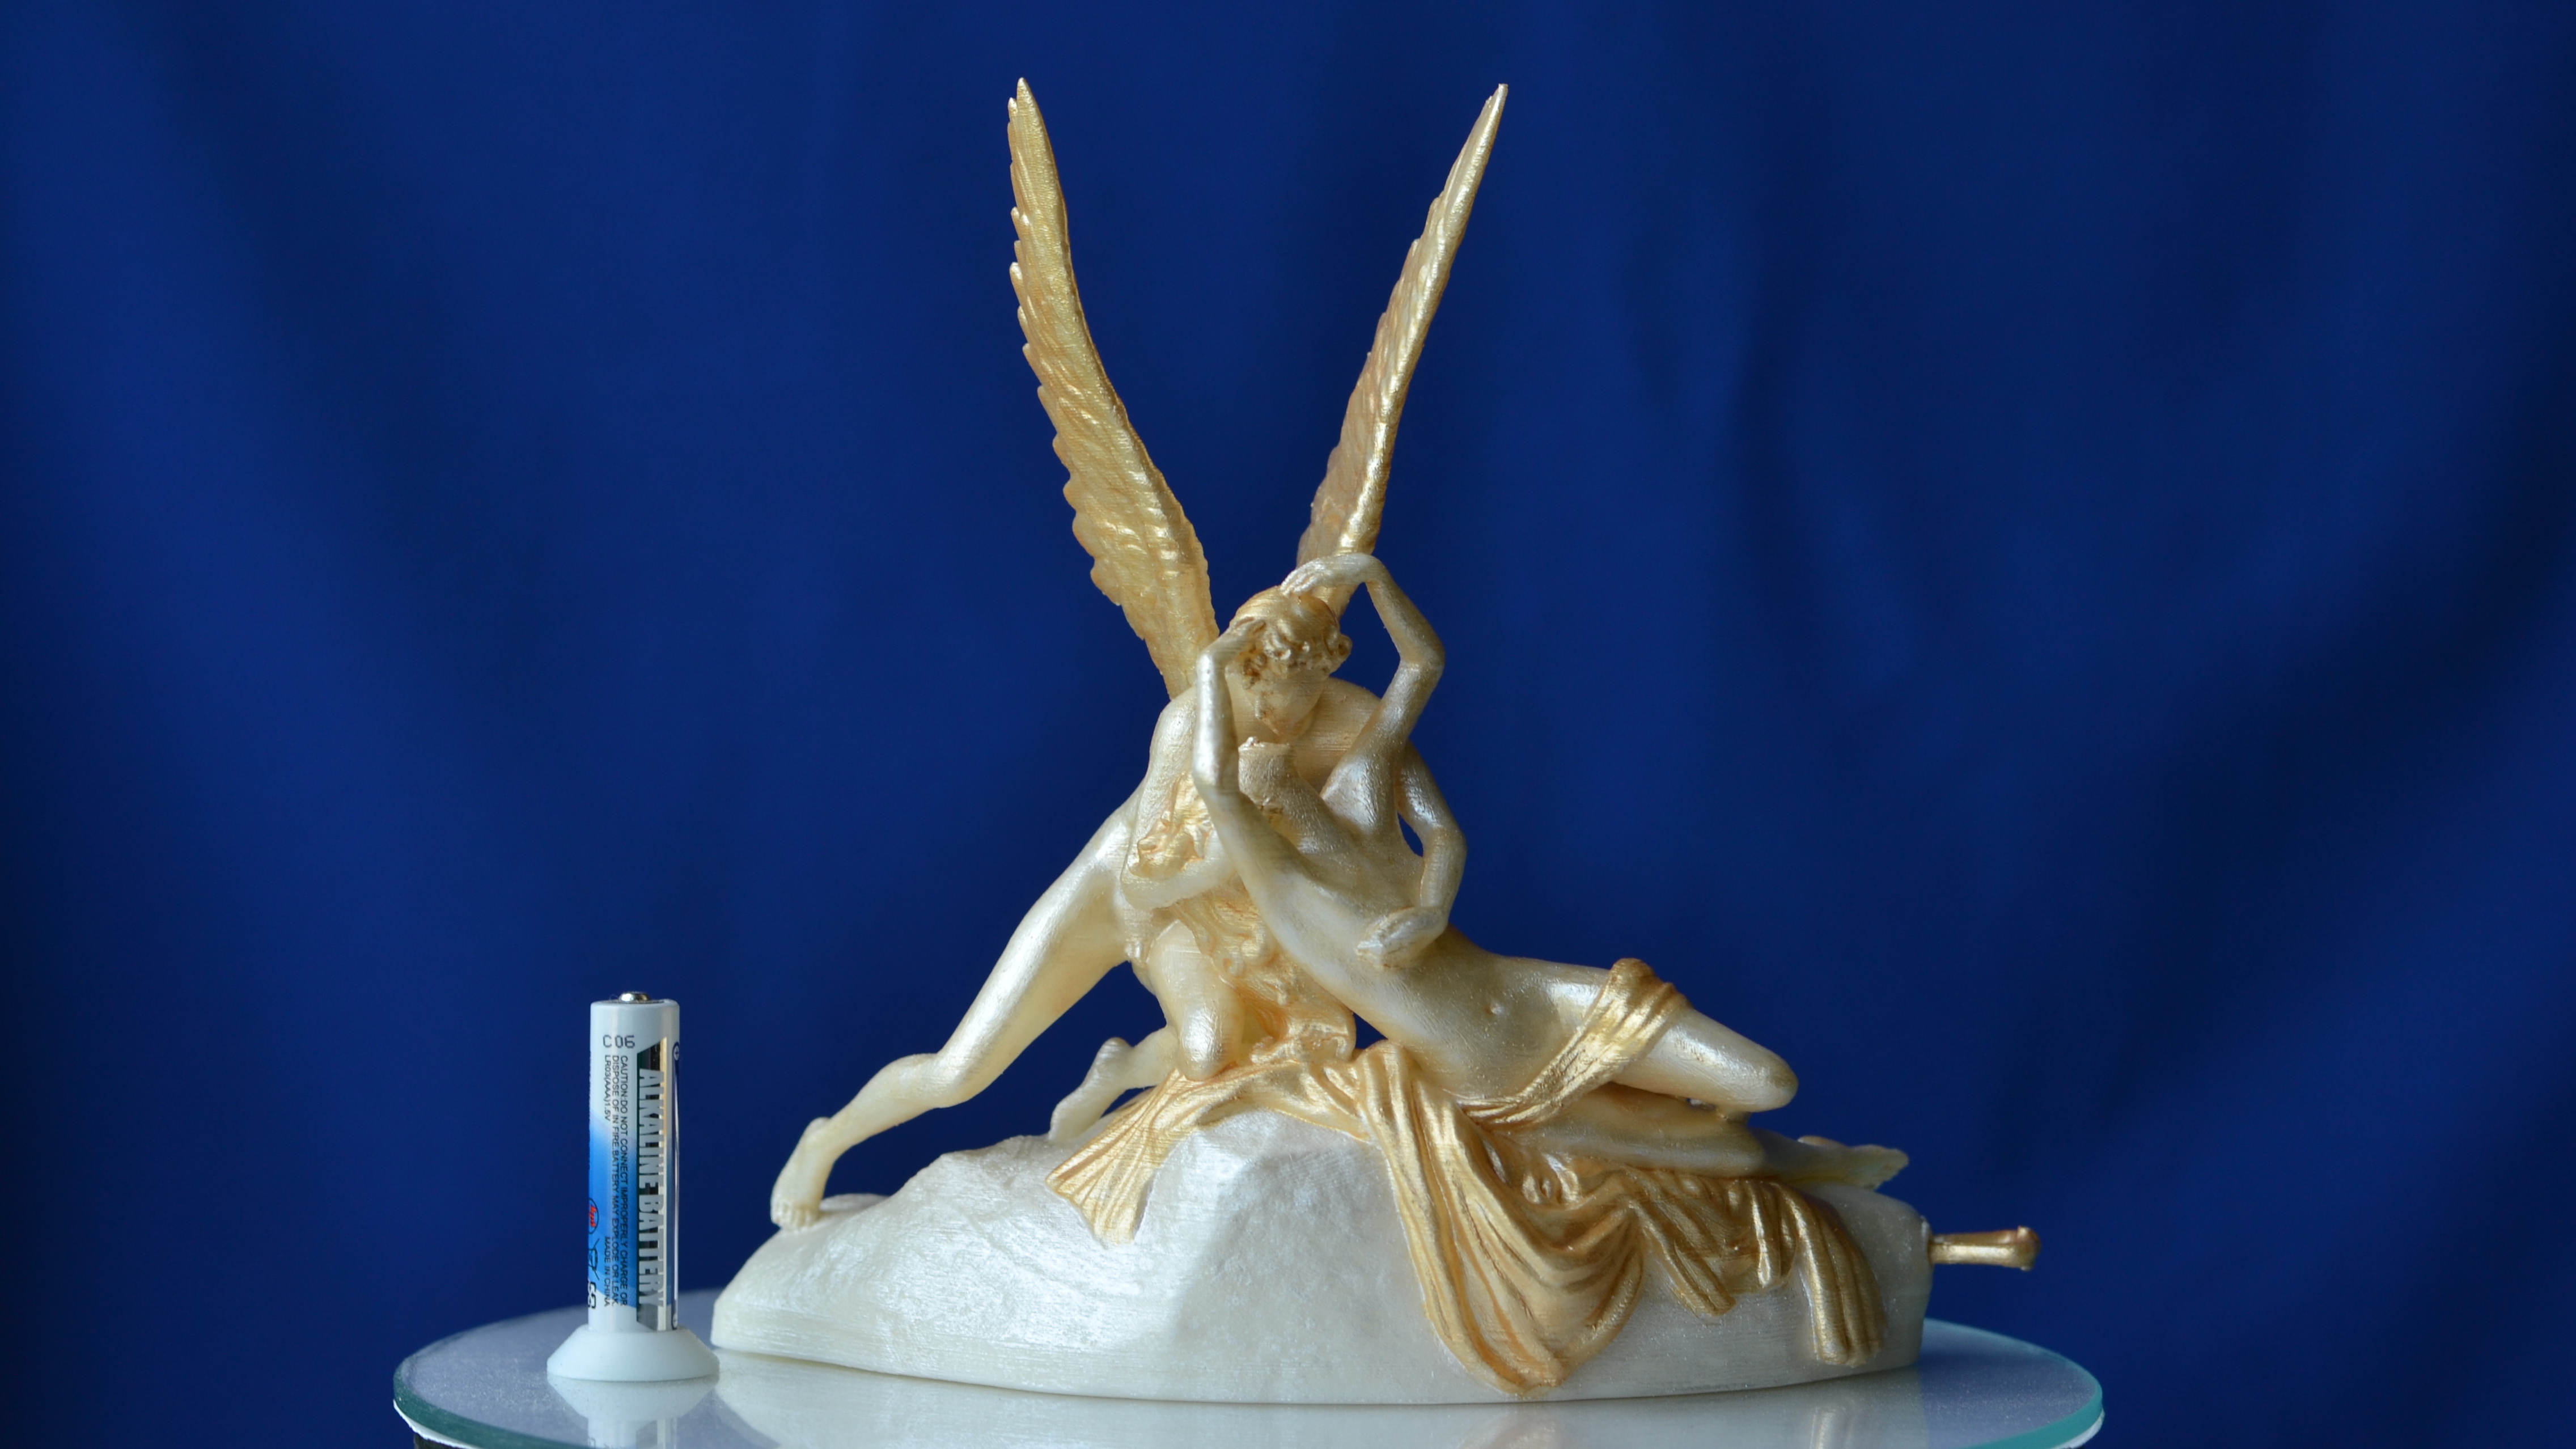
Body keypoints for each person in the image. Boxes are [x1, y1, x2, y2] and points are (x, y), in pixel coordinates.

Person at [765, 564, 1465, 1229]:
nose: (1287, 716)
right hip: (1119, 893)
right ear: (1247, 670)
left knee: (1219, 1049)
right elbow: (1141, 878)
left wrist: (1426, 912)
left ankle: (1122, 1069)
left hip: (1218, 916)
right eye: (1272, 696)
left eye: (1309, 691)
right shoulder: (1192, 721)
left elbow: (1435, 826)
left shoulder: (1354, 720)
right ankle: (824, 1141)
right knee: (960, 1072)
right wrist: (1229, 856)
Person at [1187, 554, 1905, 1185]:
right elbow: (1215, 782)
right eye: (1252, 787)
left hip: (1536, 996)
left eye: (1271, 769)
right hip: (1488, 1077)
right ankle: (1823, 1167)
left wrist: (1371, 576)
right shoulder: (1279, 882)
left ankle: (1771, 1145)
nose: (1270, 766)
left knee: (1769, 1082)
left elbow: (1423, 671)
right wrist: (1210, 667)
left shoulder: (1361, 789)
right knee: (1731, 1156)